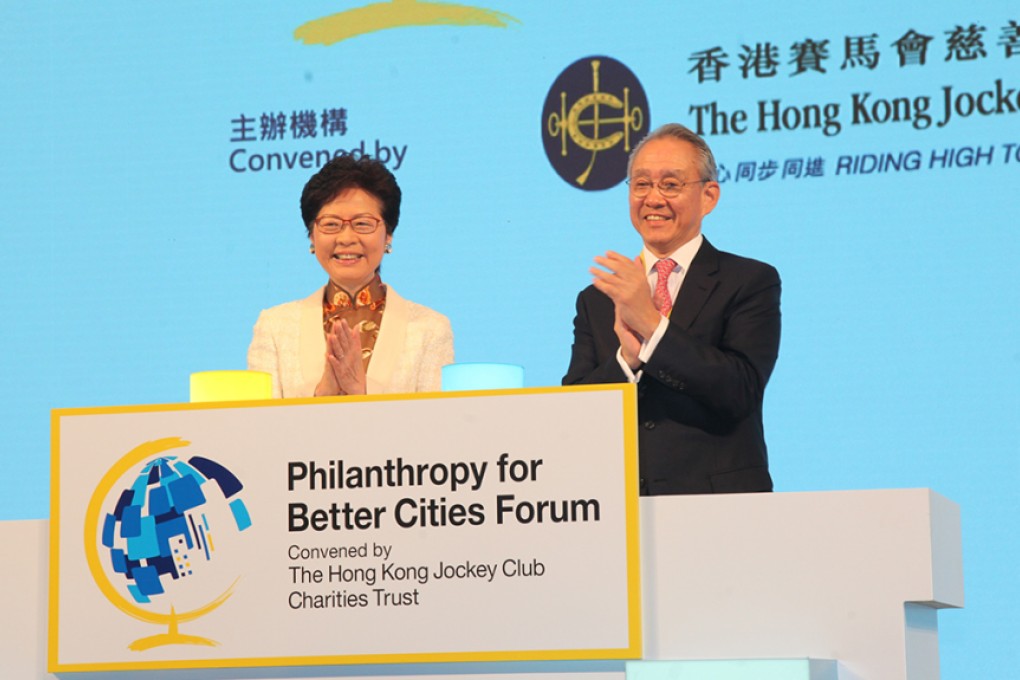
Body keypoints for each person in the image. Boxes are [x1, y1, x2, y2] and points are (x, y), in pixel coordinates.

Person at [562, 123, 781, 495]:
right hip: (623, 506)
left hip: (720, 504)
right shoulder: (598, 298)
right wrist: (626, 361)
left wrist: (652, 327)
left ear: (709, 196)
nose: (653, 198)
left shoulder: (749, 280)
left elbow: (740, 390)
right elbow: (574, 415)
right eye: (641, 184)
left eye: (670, 184)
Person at [248, 155, 453, 398]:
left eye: (363, 224)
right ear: (312, 236)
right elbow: (259, 420)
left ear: (388, 234)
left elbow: (436, 420)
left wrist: (361, 393)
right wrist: (322, 395)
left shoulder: (430, 329)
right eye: (331, 224)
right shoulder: (275, 326)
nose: (346, 238)